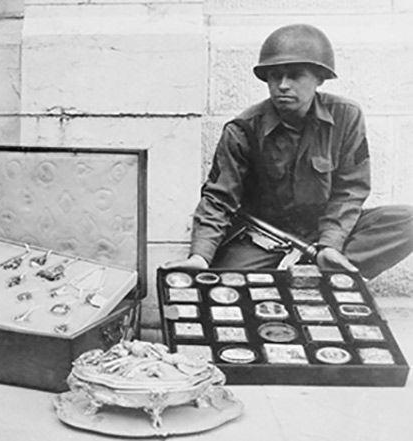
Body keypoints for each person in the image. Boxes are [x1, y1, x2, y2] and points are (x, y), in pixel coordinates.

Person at [165, 24, 413, 279]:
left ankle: (319, 267)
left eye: (295, 75)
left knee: (407, 221)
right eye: (275, 76)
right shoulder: (243, 129)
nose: (283, 85)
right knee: (222, 286)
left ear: (319, 78)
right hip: (264, 239)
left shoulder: (346, 116)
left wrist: (330, 243)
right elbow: (219, 198)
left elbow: (350, 189)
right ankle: (318, 278)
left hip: (327, 230)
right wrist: (199, 256)